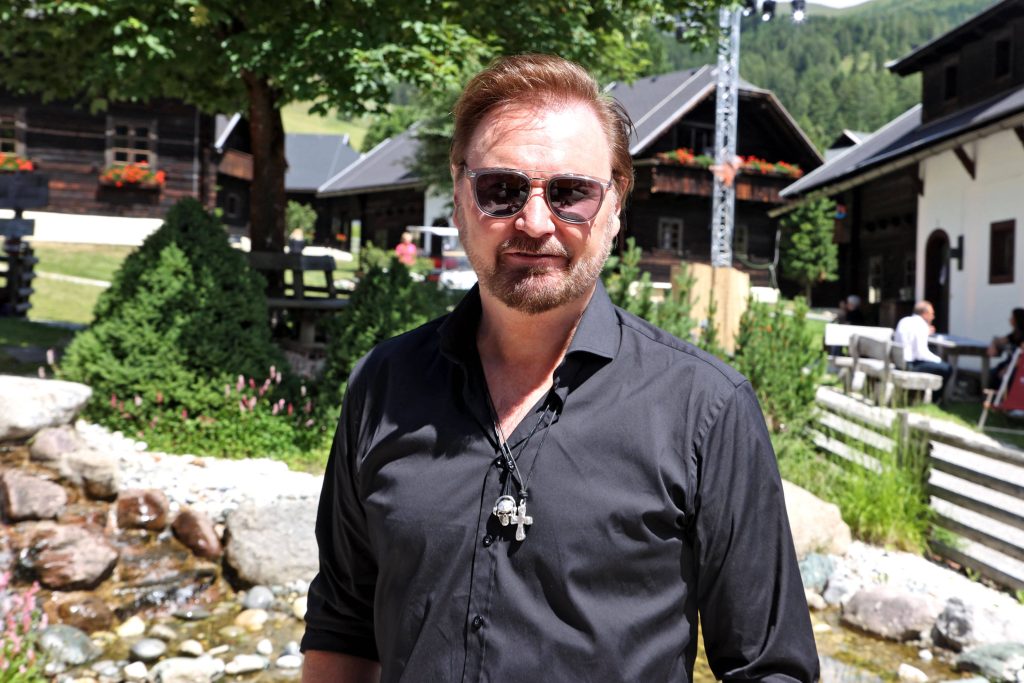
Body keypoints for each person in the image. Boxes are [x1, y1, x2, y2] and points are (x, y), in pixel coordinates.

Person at [301, 54, 818, 683]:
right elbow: (344, 624)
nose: (536, 222)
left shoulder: (705, 409)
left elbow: (770, 668)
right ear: (459, 198)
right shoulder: (382, 386)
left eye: (571, 193)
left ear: (616, 206)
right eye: (501, 190)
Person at [894, 300, 952, 396]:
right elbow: (921, 353)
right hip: (909, 365)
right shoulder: (921, 325)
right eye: (931, 314)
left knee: (935, 364)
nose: (933, 317)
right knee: (946, 368)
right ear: (925, 314)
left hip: (898, 363)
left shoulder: (904, 321)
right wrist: (938, 360)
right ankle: (935, 399)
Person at [987, 307, 1024, 389]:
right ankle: (992, 395)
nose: (1009, 319)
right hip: (1010, 363)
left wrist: (1008, 369)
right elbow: (997, 344)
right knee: (993, 372)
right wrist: (994, 342)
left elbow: (1021, 358)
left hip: (1018, 367)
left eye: (1012, 318)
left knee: (1006, 376)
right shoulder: (1013, 335)